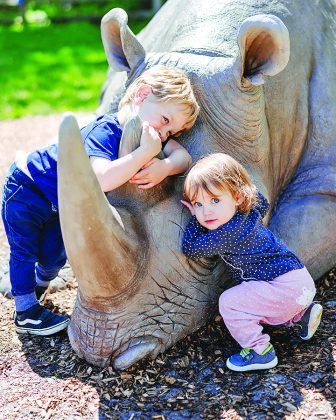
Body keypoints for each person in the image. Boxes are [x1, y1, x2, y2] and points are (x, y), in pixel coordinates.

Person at [1, 66, 200, 336]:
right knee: (24, 250)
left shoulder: (150, 135)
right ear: (142, 95)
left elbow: (183, 157)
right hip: (28, 188)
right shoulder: (106, 131)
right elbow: (101, 180)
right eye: (165, 120)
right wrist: (144, 154)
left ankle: (34, 286)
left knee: (54, 256)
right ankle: (25, 312)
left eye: (170, 132)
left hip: (59, 200)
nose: (164, 134)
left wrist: (164, 167)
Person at [181, 153, 323, 372]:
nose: (206, 211)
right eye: (197, 204)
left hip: (284, 288)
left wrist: (193, 220)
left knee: (230, 302)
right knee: (255, 295)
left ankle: (260, 351)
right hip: (299, 280)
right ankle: (301, 315)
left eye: (215, 200)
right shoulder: (251, 210)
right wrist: (240, 191)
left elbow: (191, 248)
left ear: (237, 197)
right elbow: (262, 201)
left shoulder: (226, 232)